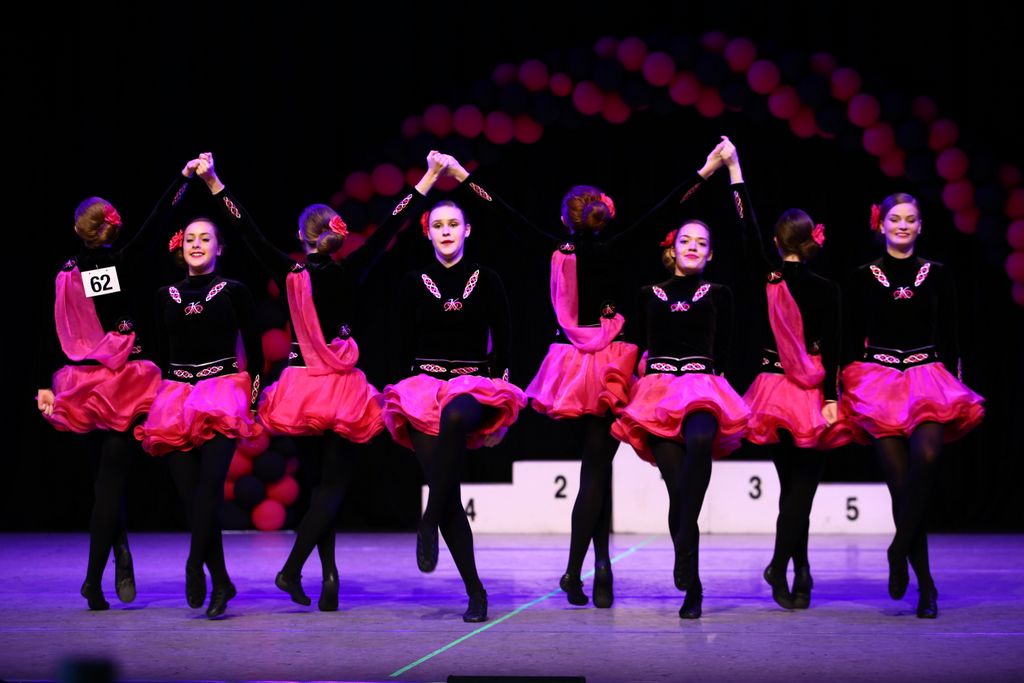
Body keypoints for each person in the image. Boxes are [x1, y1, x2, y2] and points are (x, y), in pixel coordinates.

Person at [442, 141, 727, 608]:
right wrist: (707, 169)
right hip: (612, 365)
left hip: (574, 368)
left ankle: (584, 570)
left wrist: (461, 176)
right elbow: (666, 208)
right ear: (605, 216)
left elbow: (504, 213)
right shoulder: (619, 246)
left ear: (564, 220)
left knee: (592, 471)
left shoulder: (557, 249)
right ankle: (593, 569)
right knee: (598, 468)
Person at [218, 151, 446, 610]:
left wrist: (213, 183)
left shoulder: (290, 271)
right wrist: (430, 177)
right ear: (335, 236)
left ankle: (328, 577)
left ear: (301, 238)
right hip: (339, 389)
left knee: (319, 488)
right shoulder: (350, 267)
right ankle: (296, 570)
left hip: (302, 388)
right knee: (331, 488)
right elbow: (393, 224)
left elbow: (246, 229)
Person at [37, 167, 192, 610]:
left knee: (105, 485)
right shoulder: (118, 261)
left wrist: (44, 384)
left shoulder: (66, 273)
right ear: (113, 227)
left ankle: (111, 565)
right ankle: (108, 566)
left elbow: (54, 331)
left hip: (80, 385)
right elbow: (161, 218)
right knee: (109, 484)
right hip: (119, 383)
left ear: (76, 229)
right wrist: (183, 180)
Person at [382, 155, 527, 622]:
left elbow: (505, 345)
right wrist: (401, 393)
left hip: (473, 387)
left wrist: (503, 413)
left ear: (468, 230)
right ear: (427, 233)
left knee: (457, 414)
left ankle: (425, 520)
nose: (446, 231)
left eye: (453, 224)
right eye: (438, 225)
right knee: (448, 493)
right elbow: (400, 346)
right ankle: (475, 591)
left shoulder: (488, 279)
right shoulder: (412, 282)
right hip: (422, 387)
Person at [720, 140, 860, 610]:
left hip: (773, 392)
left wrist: (735, 171)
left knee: (791, 489)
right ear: (812, 242)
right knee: (802, 490)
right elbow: (835, 347)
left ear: (777, 244)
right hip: (813, 394)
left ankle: (792, 568)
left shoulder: (769, 276)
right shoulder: (829, 288)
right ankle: (790, 568)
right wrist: (832, 397)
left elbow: (745, 227)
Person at [610, 181, 750, 620]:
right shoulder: (648, 294)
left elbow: (726, 348)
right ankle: (694, 585)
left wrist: (734, 175)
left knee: (702, 442)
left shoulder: (720, 294)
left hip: (703, 386)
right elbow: (633, 345)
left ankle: (684, 551)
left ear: (710, 254)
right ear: (672, 249)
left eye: (702, 243)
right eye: (686, 240)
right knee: (678, 490)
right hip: (656, 392)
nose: (693, 247)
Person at [841, 192, 984, 618]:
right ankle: (927, 586)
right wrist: (840, 390)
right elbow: (849, 337)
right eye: (895, 218)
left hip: (928, 380)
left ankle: (897, 547)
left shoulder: (937, 273)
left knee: (928, 456)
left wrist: (957, 383)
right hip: (878, 383)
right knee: (901, 487)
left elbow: (952, 334)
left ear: (920, 226)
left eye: (910, 219)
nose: (902, 225)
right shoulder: (862, 276)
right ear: (880, 225)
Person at [134, 156, 264, 618]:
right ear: (180, 246)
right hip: (174, 398)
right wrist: (182, 180)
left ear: (219, 248)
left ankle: (194, 565)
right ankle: (222, 581)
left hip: (222, 393)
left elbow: (256, 353)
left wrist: (252, 404)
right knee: (192, 500)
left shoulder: (234, 291)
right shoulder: (163, 296)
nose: (196, 244)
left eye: (205, 238)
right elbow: (154, 352)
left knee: (209, 491)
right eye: (190, 238)